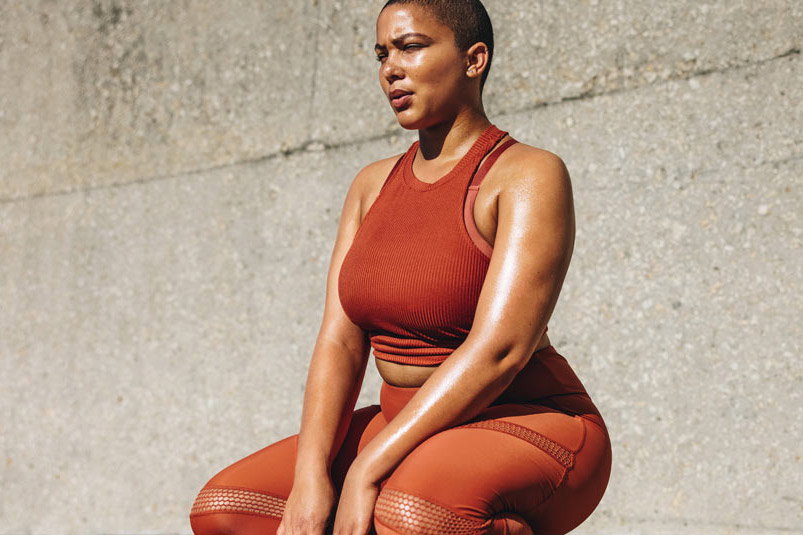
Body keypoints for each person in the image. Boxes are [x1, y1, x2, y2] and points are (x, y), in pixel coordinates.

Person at [188, 1, 612, 534]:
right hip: (405, 422)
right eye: (382, 53)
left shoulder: (525, 174)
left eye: (411, 47)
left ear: (473, 59)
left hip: (527, 420)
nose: (390, 68)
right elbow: (339, 341)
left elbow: (500, 350)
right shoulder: (372, 185)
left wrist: (367, 468)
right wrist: (312, 476)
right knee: (226, 511)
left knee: (407, 519)